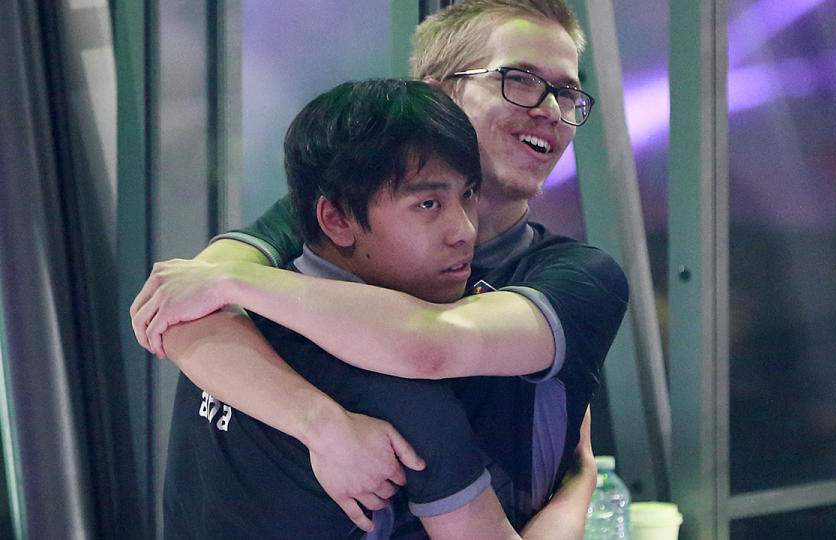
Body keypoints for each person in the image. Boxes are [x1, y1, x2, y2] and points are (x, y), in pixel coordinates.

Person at [131, 0, 626, 535]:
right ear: (442, 97)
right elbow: (178, 311)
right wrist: (323, 427)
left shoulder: (577, 275)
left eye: (567, 92)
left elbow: (427, 344)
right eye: (522, 80)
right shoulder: (337, 219)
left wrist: (580, 485)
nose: (551, 110)